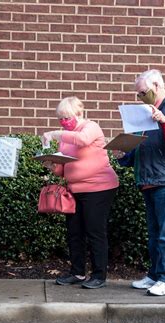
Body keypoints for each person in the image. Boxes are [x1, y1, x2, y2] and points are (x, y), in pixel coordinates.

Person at [117, 69, 165, 296]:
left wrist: (164, 120)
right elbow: (144, 145)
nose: (140, 97)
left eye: (143, 92)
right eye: (139, 94)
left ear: (157, 86)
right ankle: (154, 275)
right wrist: (125, 155)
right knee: (154, 231)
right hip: (150, 179)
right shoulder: (147, 111)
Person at [42, 96, 119, 289]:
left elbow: (82, 140)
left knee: (95, 231)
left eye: (67, 117)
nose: (64, 122)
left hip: (99, 187)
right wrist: (52, 165)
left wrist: (55, 133)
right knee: (74, 232)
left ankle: (99, 275)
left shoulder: (90, 127)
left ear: (79, 113)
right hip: (74, 189)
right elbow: (64, 169)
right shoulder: (66, 138)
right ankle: (77, 272)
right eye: (60, 119)